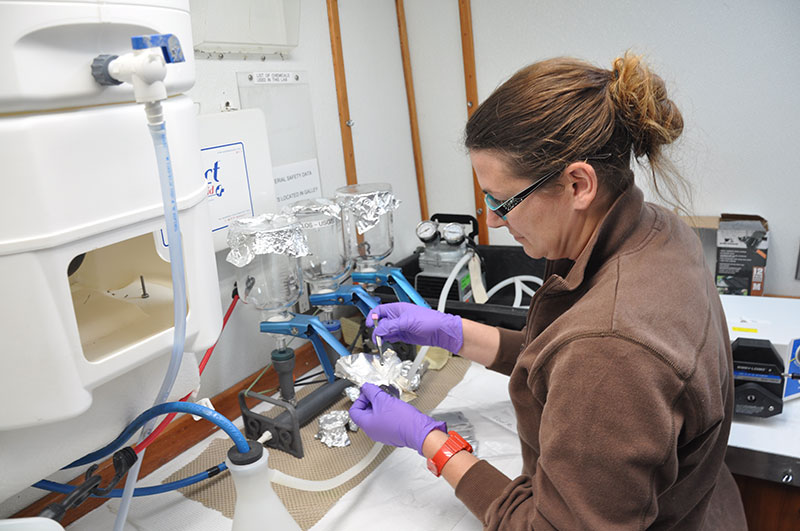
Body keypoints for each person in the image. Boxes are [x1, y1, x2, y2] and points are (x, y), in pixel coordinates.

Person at [348, 53, 747, 530]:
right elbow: (565, 358)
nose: (492, 220)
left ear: (578, 183)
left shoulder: (611, 349)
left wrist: (433, 442)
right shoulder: (658, 230)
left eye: (502, 201)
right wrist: (453, 331)